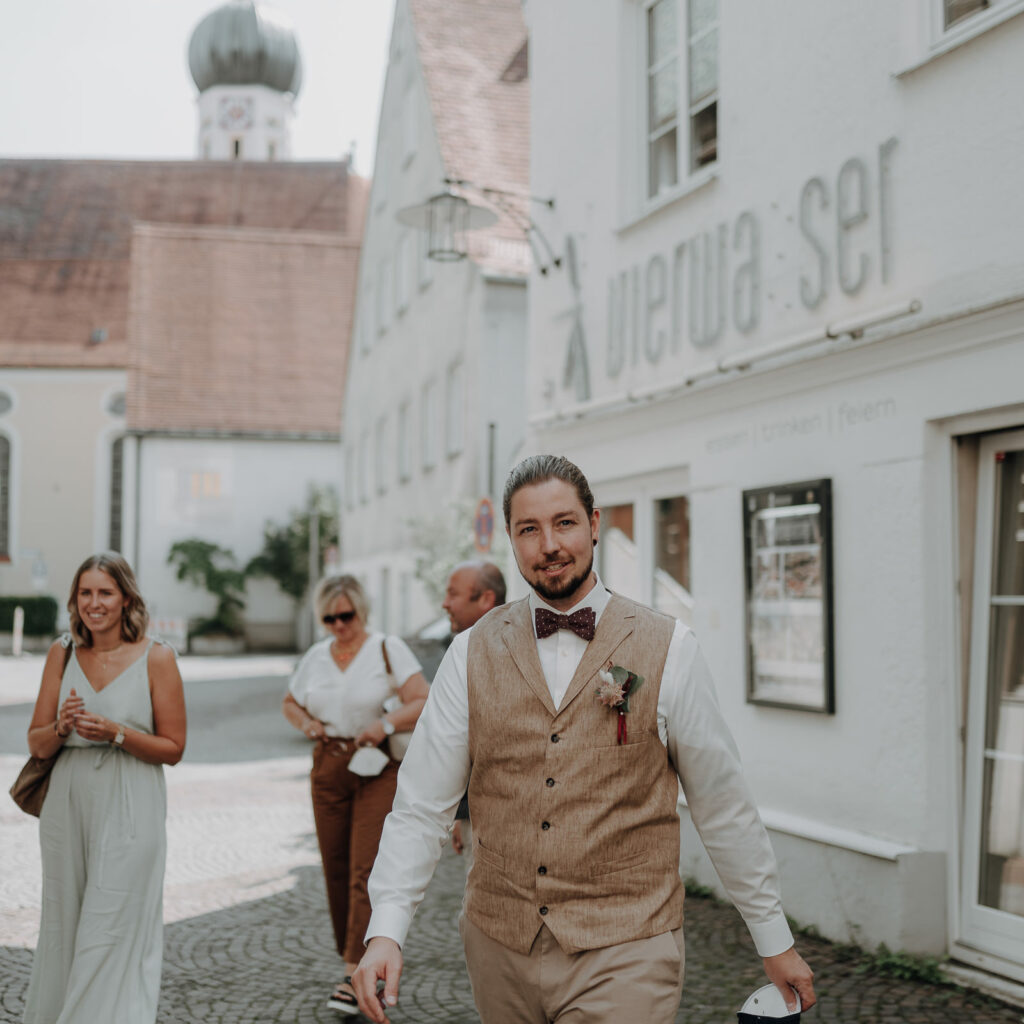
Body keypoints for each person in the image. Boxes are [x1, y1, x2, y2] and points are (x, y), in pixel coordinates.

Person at [353, 455, 816, 1024]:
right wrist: (386, 932)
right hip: (499, 947)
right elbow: (420, 806)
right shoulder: (469, 653)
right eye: (529, 529)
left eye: (565, 523)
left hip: (628, 949)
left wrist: (773, 940)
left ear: (594, 524)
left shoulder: (670, 647)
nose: (549, 544)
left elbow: (722, 806)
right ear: (512, 541)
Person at [23, 552, 187, 1024]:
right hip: (67, 801)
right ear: (75, 600)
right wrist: (61, 727)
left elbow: (174, 747)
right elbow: (35, 742)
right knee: (65, 923)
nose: (94, 603)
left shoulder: (157, 658)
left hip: (132, 797)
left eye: (105, 593)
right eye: (85, 592)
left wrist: (116, 732)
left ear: (126, 598)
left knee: (112, 923)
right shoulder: (63, 652)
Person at [282, 574, 428, 1016]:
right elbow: (290, 701)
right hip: (329, 764)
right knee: (335, 866)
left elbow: (421, 699)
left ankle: (352, 973)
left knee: (366, 866)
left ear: (361, 611)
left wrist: (383, 725)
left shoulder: (386, 647)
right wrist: (308, 725)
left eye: (345, 615)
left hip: (376, 765)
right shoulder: (316, 656)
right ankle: (356, 958)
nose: (339, 625)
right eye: (329, 618)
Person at [440, 561, 507, 860]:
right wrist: (461, 814)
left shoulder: (505, 651)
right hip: (474, 814)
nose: (445, 603)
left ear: (486, 599)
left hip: (502, 816)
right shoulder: (463, 648)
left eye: (453, 594)